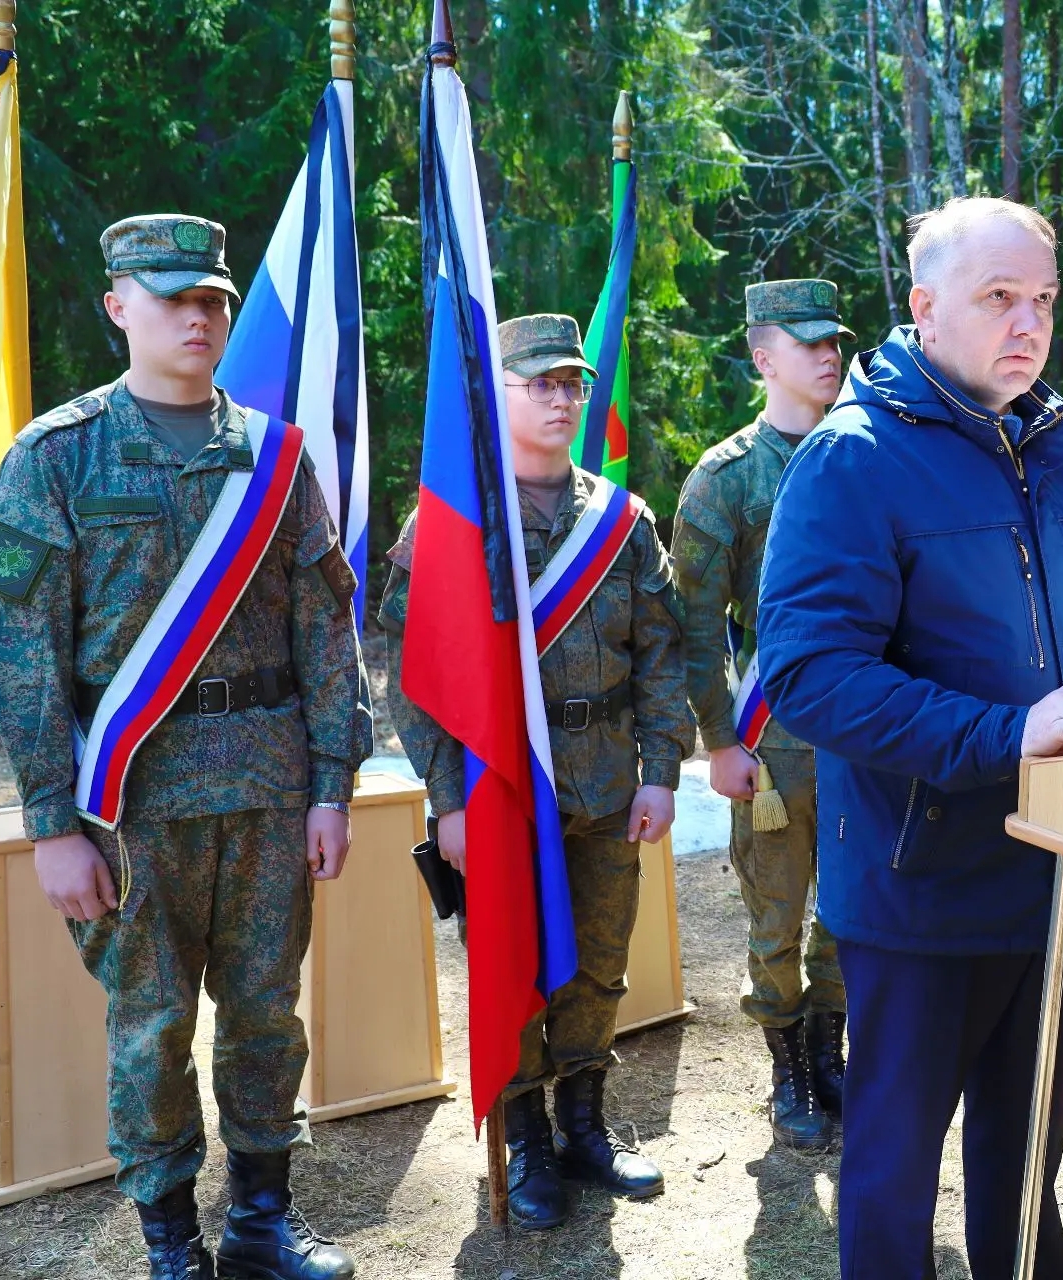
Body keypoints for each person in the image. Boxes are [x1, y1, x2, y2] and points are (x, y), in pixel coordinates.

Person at [0, 215, 370, 1280]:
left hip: (268, 786)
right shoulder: (54, 456)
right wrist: (52, 822)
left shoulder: (278, 459)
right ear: (118, 307)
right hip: (130, 806)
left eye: (213, 300)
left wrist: (334, 784)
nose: (197, 316)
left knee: (263, 1014)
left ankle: (260, 1221)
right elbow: (17, 654)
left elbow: (326, 634)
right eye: (171, 297)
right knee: (150, 1028)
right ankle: (169, 1239)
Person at [757, 196, 1063, 1280]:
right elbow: (810, 677)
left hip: (1052, 879)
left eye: (1045, 300)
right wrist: (1009, 734)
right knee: (891, 1180)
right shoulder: (853, 459)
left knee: (1024, 1170)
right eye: (999, 297)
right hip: (920, 884)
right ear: (924, 308)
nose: (1030, 324)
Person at [379, 314, 694, 1227]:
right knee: (514, 966)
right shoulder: (453, 522)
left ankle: (585, 1125)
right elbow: (415, 673)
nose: (561, 398)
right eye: (540, 384)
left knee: (599, 966)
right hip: (502, 790)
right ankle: (526, 1146)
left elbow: (662, 653)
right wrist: (448, 801)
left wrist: (662, 768)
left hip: (603, 780)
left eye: (573, 384)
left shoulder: (621, 522)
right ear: (500, 395)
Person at [671, 279, 854, 1152]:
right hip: (774, 739)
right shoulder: (725, 478)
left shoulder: (870, 454)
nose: (830, 355)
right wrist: (718, 741)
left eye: (836, 341)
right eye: (809, 341)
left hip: (868, 731)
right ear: (762, 355)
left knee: (854, 907)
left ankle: (831, 1051)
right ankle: (787, 1067)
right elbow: (696, 627)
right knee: (777, 915)